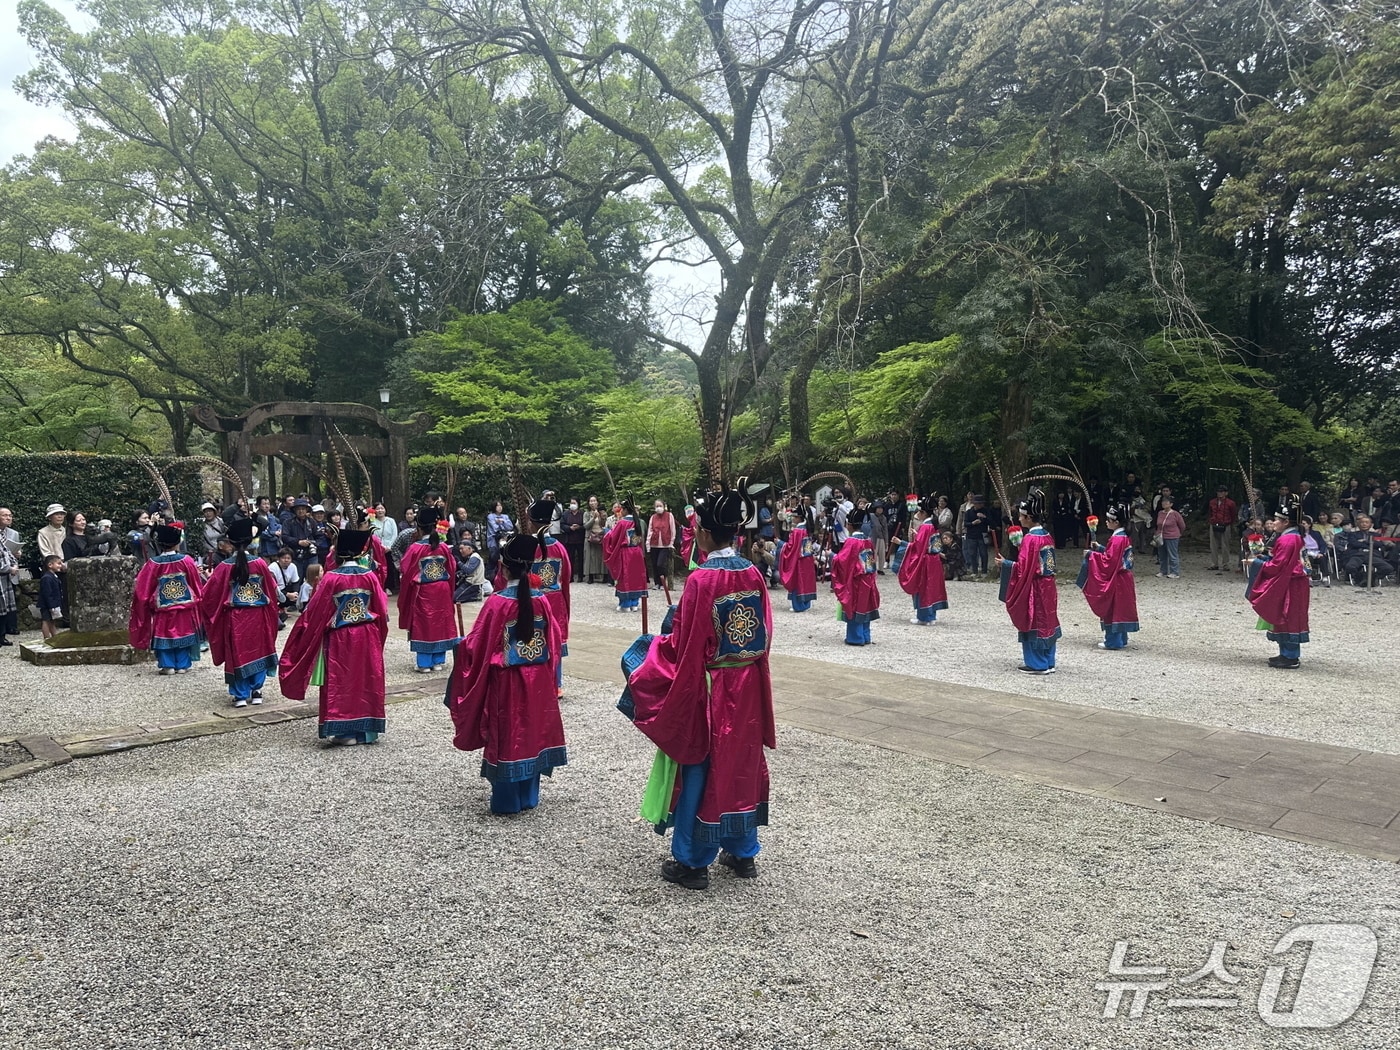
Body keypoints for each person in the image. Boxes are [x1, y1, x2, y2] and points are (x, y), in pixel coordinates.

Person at [618, 480, 775, 889]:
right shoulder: (753, 573)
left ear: (703, 534)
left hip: (712, 688)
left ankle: (693, 860)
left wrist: (651, 652)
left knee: (702, 766)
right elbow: (762, 634)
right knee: (741, 763)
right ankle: (743, 852)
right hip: (747, 684)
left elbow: (685, 648)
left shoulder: (703, 580)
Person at [446, 532, 568, 814]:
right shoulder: (542, 601)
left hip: (508, 683)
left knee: (510, 733)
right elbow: (554, 643)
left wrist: (461, 648)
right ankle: (528, 796)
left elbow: (478, 646)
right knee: (533, 732)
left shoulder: (497, 603)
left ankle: (507, 801)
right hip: (537, 679)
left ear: (502, 568)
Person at [279, 528, 391, 746]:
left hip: (341, 637)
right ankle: (366, 731)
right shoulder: (369, 576)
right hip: (367, 635)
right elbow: (382, 610)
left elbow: (315, 612)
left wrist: (304, 635)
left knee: (343, 681)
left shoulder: (331, 578)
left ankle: (344, 731)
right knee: (366, 679)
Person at [199, 519, 280, 707]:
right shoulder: (260, 563)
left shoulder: (224, 567)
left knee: (237, 652)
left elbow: (209, 596)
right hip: (258, 615)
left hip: (235, 618)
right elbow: (271, 589)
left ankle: (240, 694)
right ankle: (257, 690)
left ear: (231, 543)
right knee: (259, 649)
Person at [995, 488, 1060, 675]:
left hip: (1035, 586)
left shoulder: (1031, 539)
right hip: (1048, 585)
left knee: (1033, 619)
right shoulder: (1046, 535)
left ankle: (1037, 664)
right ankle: (1049, 660)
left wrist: (1006, 564)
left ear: (1029, 517)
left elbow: (1025, 569)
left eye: (1022, 516)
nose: (1020, 518)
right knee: (1048, 619)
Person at [128, 522, 204, 674]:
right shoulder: (186, 560)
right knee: (183, 632)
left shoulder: (153, 563)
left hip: (162, 606)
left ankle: (167, 664)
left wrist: (144, 604)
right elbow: (195, 583)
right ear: (177, 543)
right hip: (185, 605)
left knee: (164, 633)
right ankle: (182, 664)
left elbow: (143, 588)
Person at [397, 505, 461, 673]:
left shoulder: (416, 548)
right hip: (442, 588)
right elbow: (452, 568)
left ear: (418, 527)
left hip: (423, 590)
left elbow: (405, 568)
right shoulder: (443, 547)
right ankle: (438, 661)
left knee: (424, 623)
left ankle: (424, 663)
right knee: (441, 621)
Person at [1247, 500, 1311, 669]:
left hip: (1290, 583)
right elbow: (1281, 561)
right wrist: (1263, 558)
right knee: (1285, 615)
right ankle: (1285, 653)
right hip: (1293, 581)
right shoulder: (1293, 537)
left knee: (1287, 615)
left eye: (1276, 519)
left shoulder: (1288, 540)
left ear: (1286, 522)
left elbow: (1277, 566)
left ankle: (1291, 656)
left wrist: (1256, 564)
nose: (1273, 522)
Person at [1079, 504, 1139, 651]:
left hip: (1117, 579)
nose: (1106, 522)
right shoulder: (1122, 536)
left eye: (1109, 520)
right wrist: (1100, 548)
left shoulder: (1117, 539)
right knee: (1121, 607)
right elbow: (1114, 557)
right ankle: (1121, 637)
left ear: (1116, 522)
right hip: (1124, 578)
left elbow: (1109, 562)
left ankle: (1113, 641)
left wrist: (1090, 555)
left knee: (1113, 607)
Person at [898, 495, 949, 626]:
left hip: (925, 560)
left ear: (923, 512)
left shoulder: (925, 527)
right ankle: (931, 616)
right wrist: (917, 535)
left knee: (923, 586)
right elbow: (931, 543)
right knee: (932, 587)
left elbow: (918, 547)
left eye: (918, 512)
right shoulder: (932, 524)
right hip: (934, 560)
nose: (917, 514)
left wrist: (902, 543)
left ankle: (923, 617)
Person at [831, 512, 880, 646]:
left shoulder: (851, 542)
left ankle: (855, 637)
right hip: (868, 578)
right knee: (865, 605)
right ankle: (865, 635)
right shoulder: (868, 541)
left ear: (849, 525)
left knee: (854, 605)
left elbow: (843, 560)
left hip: (856, 580)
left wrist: (832, 556)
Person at [603, 501, 648, 612]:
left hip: (626, 553)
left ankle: (625, 603)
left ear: (626, 510)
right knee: (636, 577)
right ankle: (635, 603)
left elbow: (613, 537)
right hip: (637, 552)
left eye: (622, 509)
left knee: (625, 577)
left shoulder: (622, 523)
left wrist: (608, 532)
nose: (620, 511)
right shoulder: (638, 521)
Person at [777, 516, 817, 612]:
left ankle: (798, 605)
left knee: (797, 580)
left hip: (798, 559)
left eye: (794, 516)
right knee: (805, 581)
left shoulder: (797, 531)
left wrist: (780, 543)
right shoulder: (805, 529)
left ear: (799, 518)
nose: (793, 518)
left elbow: (791, 547)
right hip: (807, 558)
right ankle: (806, 603)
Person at [267, 547, 301, 627]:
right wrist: (288, 594)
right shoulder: (272, 568)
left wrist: (295, 593)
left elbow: (296, 581)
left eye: (288, 558)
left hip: (285, 589)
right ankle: (279, 610)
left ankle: (283, 609)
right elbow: (272, 586)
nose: (286, 560)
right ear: (279, 558)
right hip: (275, 590)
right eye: (283, 558)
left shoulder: (293, 566)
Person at [647, 499, 677, 589]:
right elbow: (650, 530)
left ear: (664, 506)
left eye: (660, 506)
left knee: (660, 564)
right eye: (656, 506)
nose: (658, 508)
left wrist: (672, 542)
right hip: (654, 544)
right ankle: (657, 583)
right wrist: (648, 544)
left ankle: (663, 582)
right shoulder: (653, 517)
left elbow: (672, 529)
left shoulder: (669, 516)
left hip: (665, 544)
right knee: (654, 564)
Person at [1207, 486, 1238, 572]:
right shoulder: (1212, 502)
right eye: (1218, 492)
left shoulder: (1230, 503)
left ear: (1226, 493)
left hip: (1225, 524)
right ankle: (1214, 563)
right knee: (1213, 545)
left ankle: (1225, 564)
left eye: (1222, 492)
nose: (1220, 493)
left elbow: (1233, 514)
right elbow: (1210, 513)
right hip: (1214, 523)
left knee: (1225, 545)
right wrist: (1211, 520)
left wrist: (1229, 523)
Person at [1154, 496, 1186, 578]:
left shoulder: (1175, 514)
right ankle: (1163, 571)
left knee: (1172, 555)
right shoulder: (1160, 513)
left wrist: (1178, 533)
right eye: (1163, 502)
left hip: (1172, 536)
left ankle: (1174, 572)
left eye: (1166, 502)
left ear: (1171, 504)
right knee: (1162, 555)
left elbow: (1182, 525)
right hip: (1161, 536)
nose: (1164, 503)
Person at [0, 508, 18, 644]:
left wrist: (14, 565)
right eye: (4, 515)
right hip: (3, 572)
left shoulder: (9, 534)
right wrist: (9, 568)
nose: (8, 518)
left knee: (5, 607)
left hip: (7, 575)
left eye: (10, 515)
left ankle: (2, 636)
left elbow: (9, 553)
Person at [484, 500, 514, 582]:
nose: (500, 507)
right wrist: (503, 525)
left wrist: (502, 521)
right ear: (494, 507)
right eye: (497, 506)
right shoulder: (490, 516)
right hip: (493, 541)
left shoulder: (505, 516)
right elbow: (495, 528)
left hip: (504, 541)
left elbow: (510, 527)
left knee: (504, 560)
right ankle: (489, 578)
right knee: (493, 560)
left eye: (500, 505)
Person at [962, 495, 991, 577]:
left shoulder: (986, 511)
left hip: (983, 535)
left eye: (981, 503)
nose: (980, 505)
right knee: (972, 554)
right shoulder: (968, 512)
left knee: (984, 554)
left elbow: (991, 522)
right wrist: (972, 523)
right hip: (971, 536)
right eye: (978, 503)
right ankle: (974, 571)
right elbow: (965, 523)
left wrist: (984, 517)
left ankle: (984, 571)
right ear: (974, 504)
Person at [38, 555, 66, 640]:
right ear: (50, 565)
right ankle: (46, 637)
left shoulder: (53, 576)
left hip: (53, 603)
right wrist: (52, 605)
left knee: (52, 621)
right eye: (58, 563)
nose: (60, 565)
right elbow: (47, 593)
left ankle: (54, 636)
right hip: (47, 604)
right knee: (46, 620)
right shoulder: (47, 578)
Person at [582, 496, 607, 583]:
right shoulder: (586, 514)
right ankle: (590, 576)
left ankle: (604, 575)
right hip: (590, 536)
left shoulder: (602, 512)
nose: (592, 503)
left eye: (594, 501)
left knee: (601, 556)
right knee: (590, 557)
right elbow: (585, 526)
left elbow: (605, 525)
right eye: (591, 501)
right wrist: (593, 518)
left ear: (597, 502)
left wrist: (603, 517)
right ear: (588, 503)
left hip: (601, 535)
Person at [453, 539, 487, 604]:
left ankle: (476, 595)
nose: (460, 551)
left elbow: (468, 570)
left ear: (469, 548)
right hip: (468, 582)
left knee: (455, 599)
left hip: (473, 584)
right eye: (460, 549)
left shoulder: (475, 557)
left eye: (462, 549)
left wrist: (459, 562)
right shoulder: (470, 557)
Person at [561, 497, 586, 583]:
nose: (572, 505)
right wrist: (569, 528)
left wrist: (579, 527)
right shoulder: (566, 514)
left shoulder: (582, 513)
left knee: (581, 558)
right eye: (571, 503)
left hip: (580, 539)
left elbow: (586, 525)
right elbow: (562, 525)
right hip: (569, 540)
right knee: (570, 558)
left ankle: (580, 576)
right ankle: (570, 577)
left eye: (574, 503)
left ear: (578, 504)